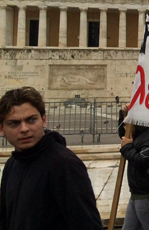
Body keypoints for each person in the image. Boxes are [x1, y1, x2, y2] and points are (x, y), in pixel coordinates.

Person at [0, 87, 102, 230]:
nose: (24, 129)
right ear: (2, 129)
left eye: (31, 120)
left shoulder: (65, 165)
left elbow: (86, 224)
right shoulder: (12, 164)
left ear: (44, 120)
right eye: (14, 123)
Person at [120, 119, 149, 230]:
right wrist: (122, 114)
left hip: (148, 194)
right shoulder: (140, 134)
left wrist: (127, 147)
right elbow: (124, 137)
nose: (124, 127)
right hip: (138, 192)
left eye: (126, 123)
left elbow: (141, 161)